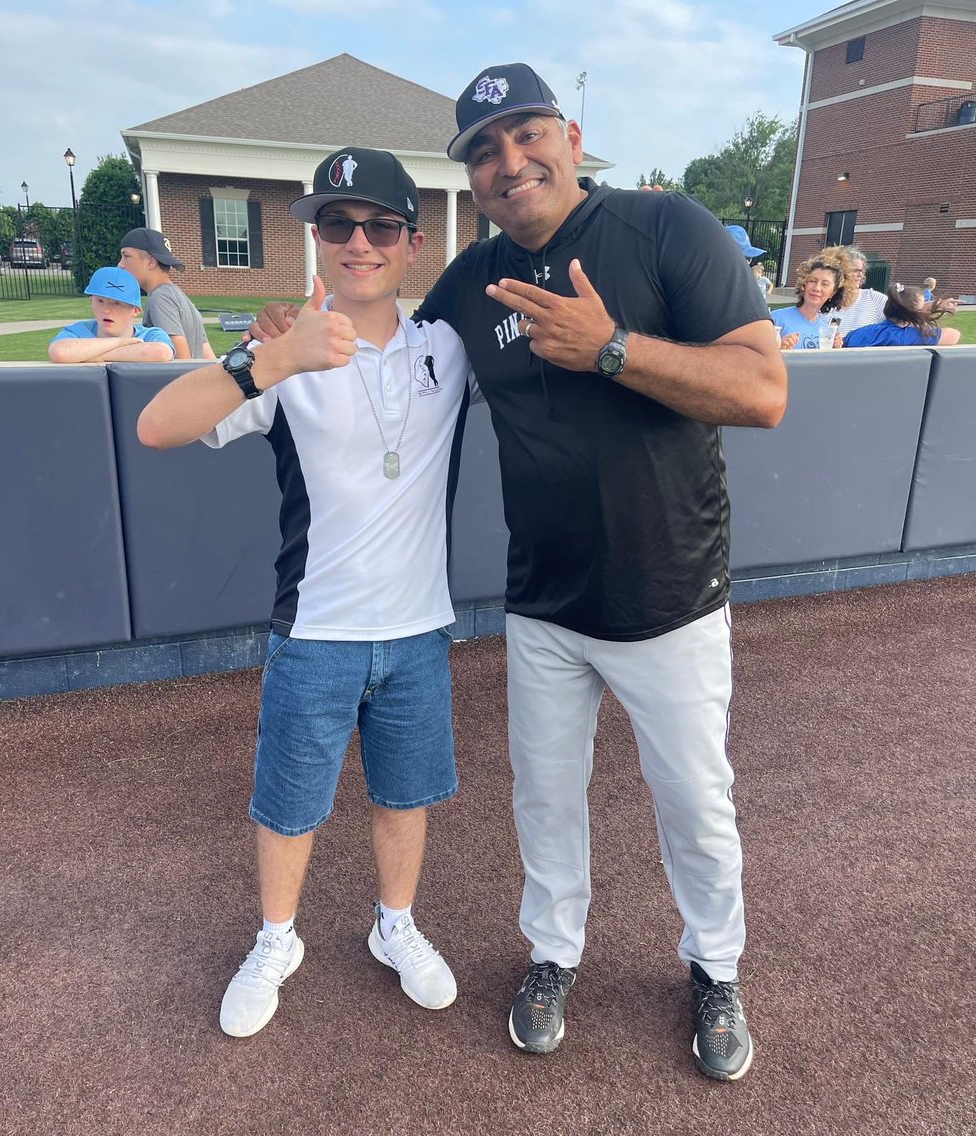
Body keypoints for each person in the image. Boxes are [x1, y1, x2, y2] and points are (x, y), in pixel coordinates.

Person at [254, 63, 787, 1080]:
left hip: (671, 596)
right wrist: (280, 337)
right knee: (544, 801)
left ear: (571, 136)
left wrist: (614, 349)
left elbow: (764, 390)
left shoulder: (667, 228)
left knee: (694, 800)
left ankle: (714, 967)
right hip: (543, 601)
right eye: (484, 151)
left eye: (526, 135)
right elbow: (384, 342)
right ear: (472, 179)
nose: (509, 163)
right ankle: (555, 953)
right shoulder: (467, 283)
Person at [136, 149, 472, 1039]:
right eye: (337, 225)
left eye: (380, 226)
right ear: (317, 242)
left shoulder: (448, 345)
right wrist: (268, 359)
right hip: (315, 628)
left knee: (405, 798)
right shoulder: (277, 352)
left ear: (410, 243)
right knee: (288, 803)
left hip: (418, 631)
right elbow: (156, 427)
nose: (359, 242)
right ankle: (276, 939)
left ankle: (393, 925)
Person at [118, 228, 215, 360]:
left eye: (126, 256)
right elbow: (209, 358)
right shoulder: (179, 296)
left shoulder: (160, 298)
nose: (120, 264)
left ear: (151, 262)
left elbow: (180, 362)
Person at [48, 267, 175, 363]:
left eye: (116, 304)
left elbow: (161, 352)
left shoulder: (150, 335)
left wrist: (93, 356)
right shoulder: (79, 330)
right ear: (91, 301)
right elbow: (60, 353)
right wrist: (120, 343)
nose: (106, 310)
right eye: (100, 301)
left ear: (135, 310)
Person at [773, 249, 852, 348]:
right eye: (812, 281)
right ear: (804, 283)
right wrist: (778, 348)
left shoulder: (826, 331)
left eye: (825, 284)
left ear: (833, 292)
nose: (817, 288)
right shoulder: (777, 318)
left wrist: (835, 350)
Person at [844, 284, 961, 346]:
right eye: (923, 305)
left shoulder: (860, 332)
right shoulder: (905, 336)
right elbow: (953, 335)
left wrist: (930, 306)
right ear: (911, 314)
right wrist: (932, 309)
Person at [830, 245, 887, 332]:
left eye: (861, 271)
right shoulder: (825, 300)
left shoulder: (874, 298)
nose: (860, 275)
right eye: (854, 270)